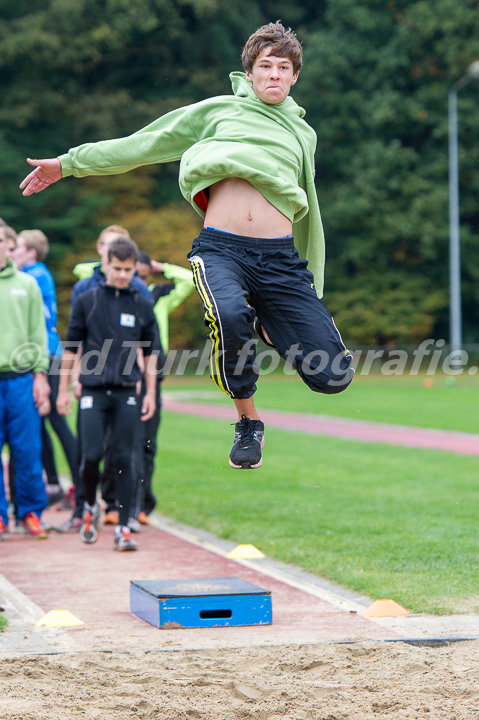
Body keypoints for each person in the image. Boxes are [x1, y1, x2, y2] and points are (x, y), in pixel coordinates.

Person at [20, 21, 354, 470]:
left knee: (333, 376)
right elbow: (143, 145)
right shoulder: (217, 112)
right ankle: (248, 420)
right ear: (250, 74)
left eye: (283, 67)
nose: (274, 74)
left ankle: (266, 324)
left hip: (280, 261)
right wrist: (69, 164)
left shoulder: (302, 134)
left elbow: (309, 207)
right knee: (230, 314)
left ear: (295, 76)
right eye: (265, 66)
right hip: (222, 251)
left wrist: (310, 276)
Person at [56, 237, 159, 551]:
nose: (123, 275)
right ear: (106, 264)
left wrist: (151, 393)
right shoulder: (87, 300)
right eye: (117, 268)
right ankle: (89, 507)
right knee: (91, 457)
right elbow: (71, 348)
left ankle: (123, 527)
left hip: (128, 390)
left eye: (128, 269)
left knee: (125, 458)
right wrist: (63, 389)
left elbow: (151, 352)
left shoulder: (142, 303)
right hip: (92, 390)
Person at [14, 229, 78, 505]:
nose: (12, 252)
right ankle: (53, 484)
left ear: (31, 252)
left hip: (46, 354)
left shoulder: (33, 275)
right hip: (36, 354)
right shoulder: (34, 275)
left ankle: (80, 483)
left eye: (16, 247)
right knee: (38, 422)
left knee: (54, 420)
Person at [133, 253, 195, 521]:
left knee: (147, 442)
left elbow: (190, 280)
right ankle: (114, 501)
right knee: (118, 442)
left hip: (153, 370)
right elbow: (82, 270)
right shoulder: (117, 292)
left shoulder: (158, 294)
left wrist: (161, 267)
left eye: (141, 271)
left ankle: (144, 503)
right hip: (120, 370)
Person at [0, 223, 51, 539]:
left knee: (28, 449)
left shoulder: (27, 284)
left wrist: (41, 376)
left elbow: (38, 333)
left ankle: (31, 513)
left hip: (21, 380)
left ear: (9, 244)